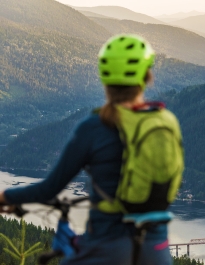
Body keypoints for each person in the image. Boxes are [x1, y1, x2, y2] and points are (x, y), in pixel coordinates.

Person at [0, 34, 184, 265]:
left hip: (108, 248)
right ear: (148, 76)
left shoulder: (94, 127)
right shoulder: (166, 121)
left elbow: (49, 188)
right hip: (156, 249)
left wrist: (5, 196)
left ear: (104, 79)